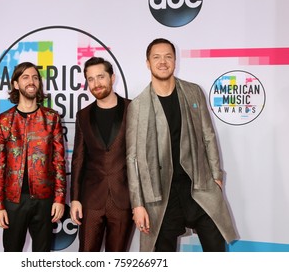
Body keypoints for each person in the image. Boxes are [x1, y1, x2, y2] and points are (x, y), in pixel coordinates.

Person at [126, 38, 238, 252]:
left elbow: (208, 135)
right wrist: (138, 204)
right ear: (148, 63)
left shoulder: (193, 92)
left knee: (216, 249)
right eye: (156, 57)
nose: (163, 62)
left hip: (198, 185)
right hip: (161, 194)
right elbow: (132, 159)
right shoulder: (137, 107)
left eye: (168, 56)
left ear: (175, 61)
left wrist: (217, 176)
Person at [0, 61, 66, 252]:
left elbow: (58, 161)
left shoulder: (51, 118)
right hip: (13, 201)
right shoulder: (3, 121)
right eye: (25, 77)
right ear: (16, 84)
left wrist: (59, 198)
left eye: (35, 77)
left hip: (44, 200)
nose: (31, 81)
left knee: (41, 256)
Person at [70, 57, 133, 252]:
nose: (96, 84)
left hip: (123, 198)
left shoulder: (133, 109)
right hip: (91, 200)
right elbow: (78, 159)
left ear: (112, 78)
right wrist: (75, 199)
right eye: (90, 79)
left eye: (100, 77)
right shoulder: (83, 115)